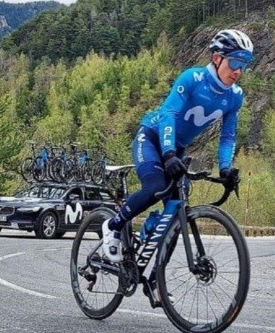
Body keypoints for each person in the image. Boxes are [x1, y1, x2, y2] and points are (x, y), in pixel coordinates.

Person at [101, 29, 254, 262]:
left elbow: (227, 136)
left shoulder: (235, 97)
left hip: (177, 148)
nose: (238, 71)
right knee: (155, 187)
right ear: (216, 58)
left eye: (244, 65)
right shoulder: (192, 79)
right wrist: (169, 153)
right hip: (152, 138)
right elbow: (168, 114)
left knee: (175, 216)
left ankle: (154, 282)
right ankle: (112, 226)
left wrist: (225, 168)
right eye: (234, 62)